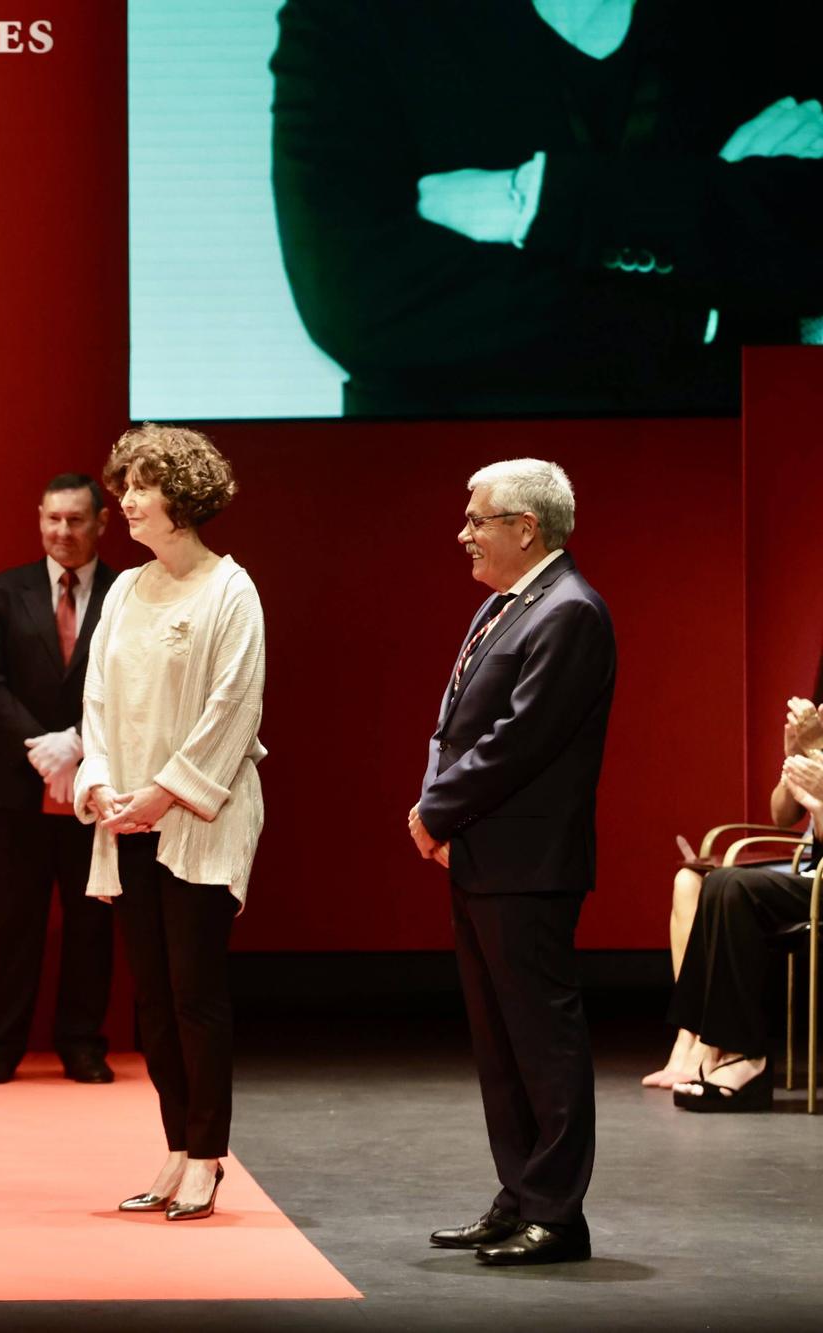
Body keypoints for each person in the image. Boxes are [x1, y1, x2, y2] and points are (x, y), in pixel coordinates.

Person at [271, 0, 823, 417]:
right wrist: (702, 312)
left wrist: (533, 199)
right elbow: (357, 302)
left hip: (716, 481)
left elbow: (809, 244)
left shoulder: (770, 15)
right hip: (437, 494)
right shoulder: (352, 18)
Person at [409, 458, 614, 1266]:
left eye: (476, 519)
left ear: (525, 529)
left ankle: (558, 1215)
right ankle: (520, 1195)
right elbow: (457, 723)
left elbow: (518, 740)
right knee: (500, 1041)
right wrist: (439, 806)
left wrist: (436, 807)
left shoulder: (570, 612)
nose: (463, 532)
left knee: (542, 1039)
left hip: (529, 860)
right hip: (485, 855)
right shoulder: (509, 605)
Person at [74, 425, 265, 1224]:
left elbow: (232, 710)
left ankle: (208, 1152)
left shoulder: (231, 590)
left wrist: (162, 792)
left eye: (141, 486)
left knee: (195, 992)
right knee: (151, 997)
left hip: (197, 820)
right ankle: (176, 1145)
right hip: (130, 819)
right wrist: (98, 781)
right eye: (125, 484)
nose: (125, 500)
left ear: (181, 498)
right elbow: (98, 701)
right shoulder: (124, 589)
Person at [0, 473, 119, 1085]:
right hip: (17, 782)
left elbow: (133, 686)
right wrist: (41, 747)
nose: (62, 531)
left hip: (100, 780)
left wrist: (77, 744)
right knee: (13, 920)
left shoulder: (126, 593)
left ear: (101, 522)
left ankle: (83, 1043)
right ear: (39, 518)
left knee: (92, 920)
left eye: (75, 520)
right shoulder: (4, 591)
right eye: (52, 519)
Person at [644, 694, 823, 1087]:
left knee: (729, 885)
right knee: (689, 882)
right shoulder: (818, 723)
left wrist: (815, 751)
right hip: (811, 866)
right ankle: (689, 1041)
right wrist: (793, 759)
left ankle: (727, 1049)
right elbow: (783, 814)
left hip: (816, 871)